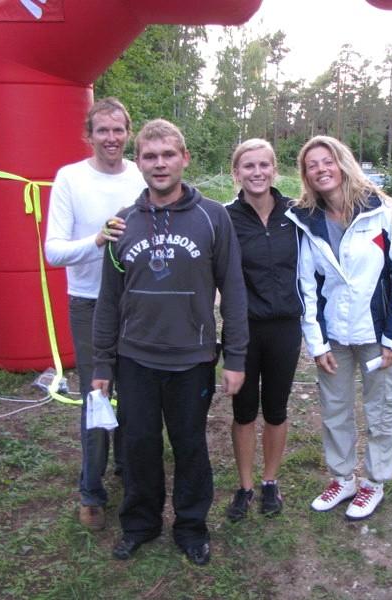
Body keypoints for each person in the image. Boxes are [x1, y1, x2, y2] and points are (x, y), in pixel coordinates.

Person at [92, 118, 248, 565]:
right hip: (134, 358)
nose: (159, 164)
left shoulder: (212, 217)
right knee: (138, 444)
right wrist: (102, 364)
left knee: (190, 444)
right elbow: (108, 299)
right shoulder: (122, 224)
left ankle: (191, 527)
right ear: (137, 162)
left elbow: (233, 289)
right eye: (149, 156)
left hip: (192, 358)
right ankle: (140, 524)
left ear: (184, 159)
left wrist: (234, 356)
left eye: (167, 155)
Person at [287, 135, 392, 521]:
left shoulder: (380, 211)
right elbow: (305, 284)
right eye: (312, 165)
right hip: (334, 336)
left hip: (377, 335)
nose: (321, 169)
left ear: (342, 163)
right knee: (335, 410)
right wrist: (316, 342)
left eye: (327, 161)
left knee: (380, 410)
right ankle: (343, 478)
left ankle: (373, 483)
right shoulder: (304, 219)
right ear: (306, 175)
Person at [44, 97, 143, 532]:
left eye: (118, 129)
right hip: (88, 302)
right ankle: (91, 491)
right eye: (102, 130)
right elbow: (52, 251)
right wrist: (98, 239)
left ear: (128, 133)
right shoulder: (70, 178)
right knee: (97, 394)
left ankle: (129, 468)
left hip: (136, 302)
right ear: (89, 135)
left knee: (136, 391)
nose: (111, 138)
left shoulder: (141, 176)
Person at [224, 139, 302, 521]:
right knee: (243, 412)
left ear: (275, 169)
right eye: (248, 166)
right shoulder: (225, 217)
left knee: (276, 408)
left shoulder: (297, 213)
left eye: (263, 165)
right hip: (243, 330)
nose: (256, 173)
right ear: (236, 172)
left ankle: (270, 481)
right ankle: (245, 485)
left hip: (286, 327)